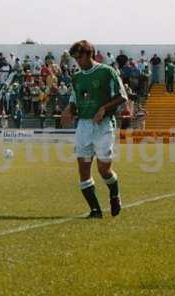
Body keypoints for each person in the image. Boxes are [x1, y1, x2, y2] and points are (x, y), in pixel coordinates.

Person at [61, 40, 128, 219]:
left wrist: (104, 108)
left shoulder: (107, 72)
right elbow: (74, 101)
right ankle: (95, 211)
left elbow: (122, 97)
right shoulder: (76, 77)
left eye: (79, 57)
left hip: (103, 126)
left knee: (104, 170)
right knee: (83, 171)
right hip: (83, 127)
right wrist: (68, 110)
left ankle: (114, 194)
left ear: (89, 54)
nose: (77, 61)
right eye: (74, 58)